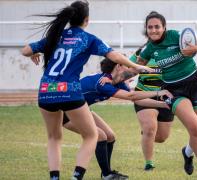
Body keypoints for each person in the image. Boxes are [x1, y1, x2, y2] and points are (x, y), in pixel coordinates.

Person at [21, 1, 152, 179]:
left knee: (54, 138)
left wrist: (34, 53)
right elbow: (114, 55)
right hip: (69, 91)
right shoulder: (87, 38)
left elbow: (25, 50)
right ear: (87, 20)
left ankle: (55, 177)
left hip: (46, 91)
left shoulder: (55, 36)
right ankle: (77, 176)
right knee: (92, 136)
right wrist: (136, 65)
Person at [63, 58, 173, 180]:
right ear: (118, 66)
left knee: (110, 136)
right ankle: (105, 174)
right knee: (101, 136)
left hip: (81, 109)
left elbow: (136, 99)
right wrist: (158, 93)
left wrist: (164, 105)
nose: (129, 67)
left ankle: (107, 173)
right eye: (126, 65)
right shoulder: (103, 83)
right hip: (66, 111)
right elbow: (131, 95)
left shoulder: (116, 82)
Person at [136, 11, 197, 180]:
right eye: (150, 27)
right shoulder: (149, 49)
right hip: (174, 90)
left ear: (164, 27)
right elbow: (134, 67)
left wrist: (196, 48)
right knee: (195, 129)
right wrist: (114, 77)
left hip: (196, 84)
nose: (154, 30)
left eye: (157, 26)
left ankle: (187, 153)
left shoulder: (177, 36)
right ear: (146, 29)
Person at [130, 47, 174, 171]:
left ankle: (146, 134)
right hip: (144, 94)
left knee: (161, 137)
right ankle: (149, 164)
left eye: (157, 27)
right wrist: (123, 78)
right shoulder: (142, 52)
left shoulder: (173, 51)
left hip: (167, 97)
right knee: (150, 128)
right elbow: (129, 68)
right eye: (151, 28)